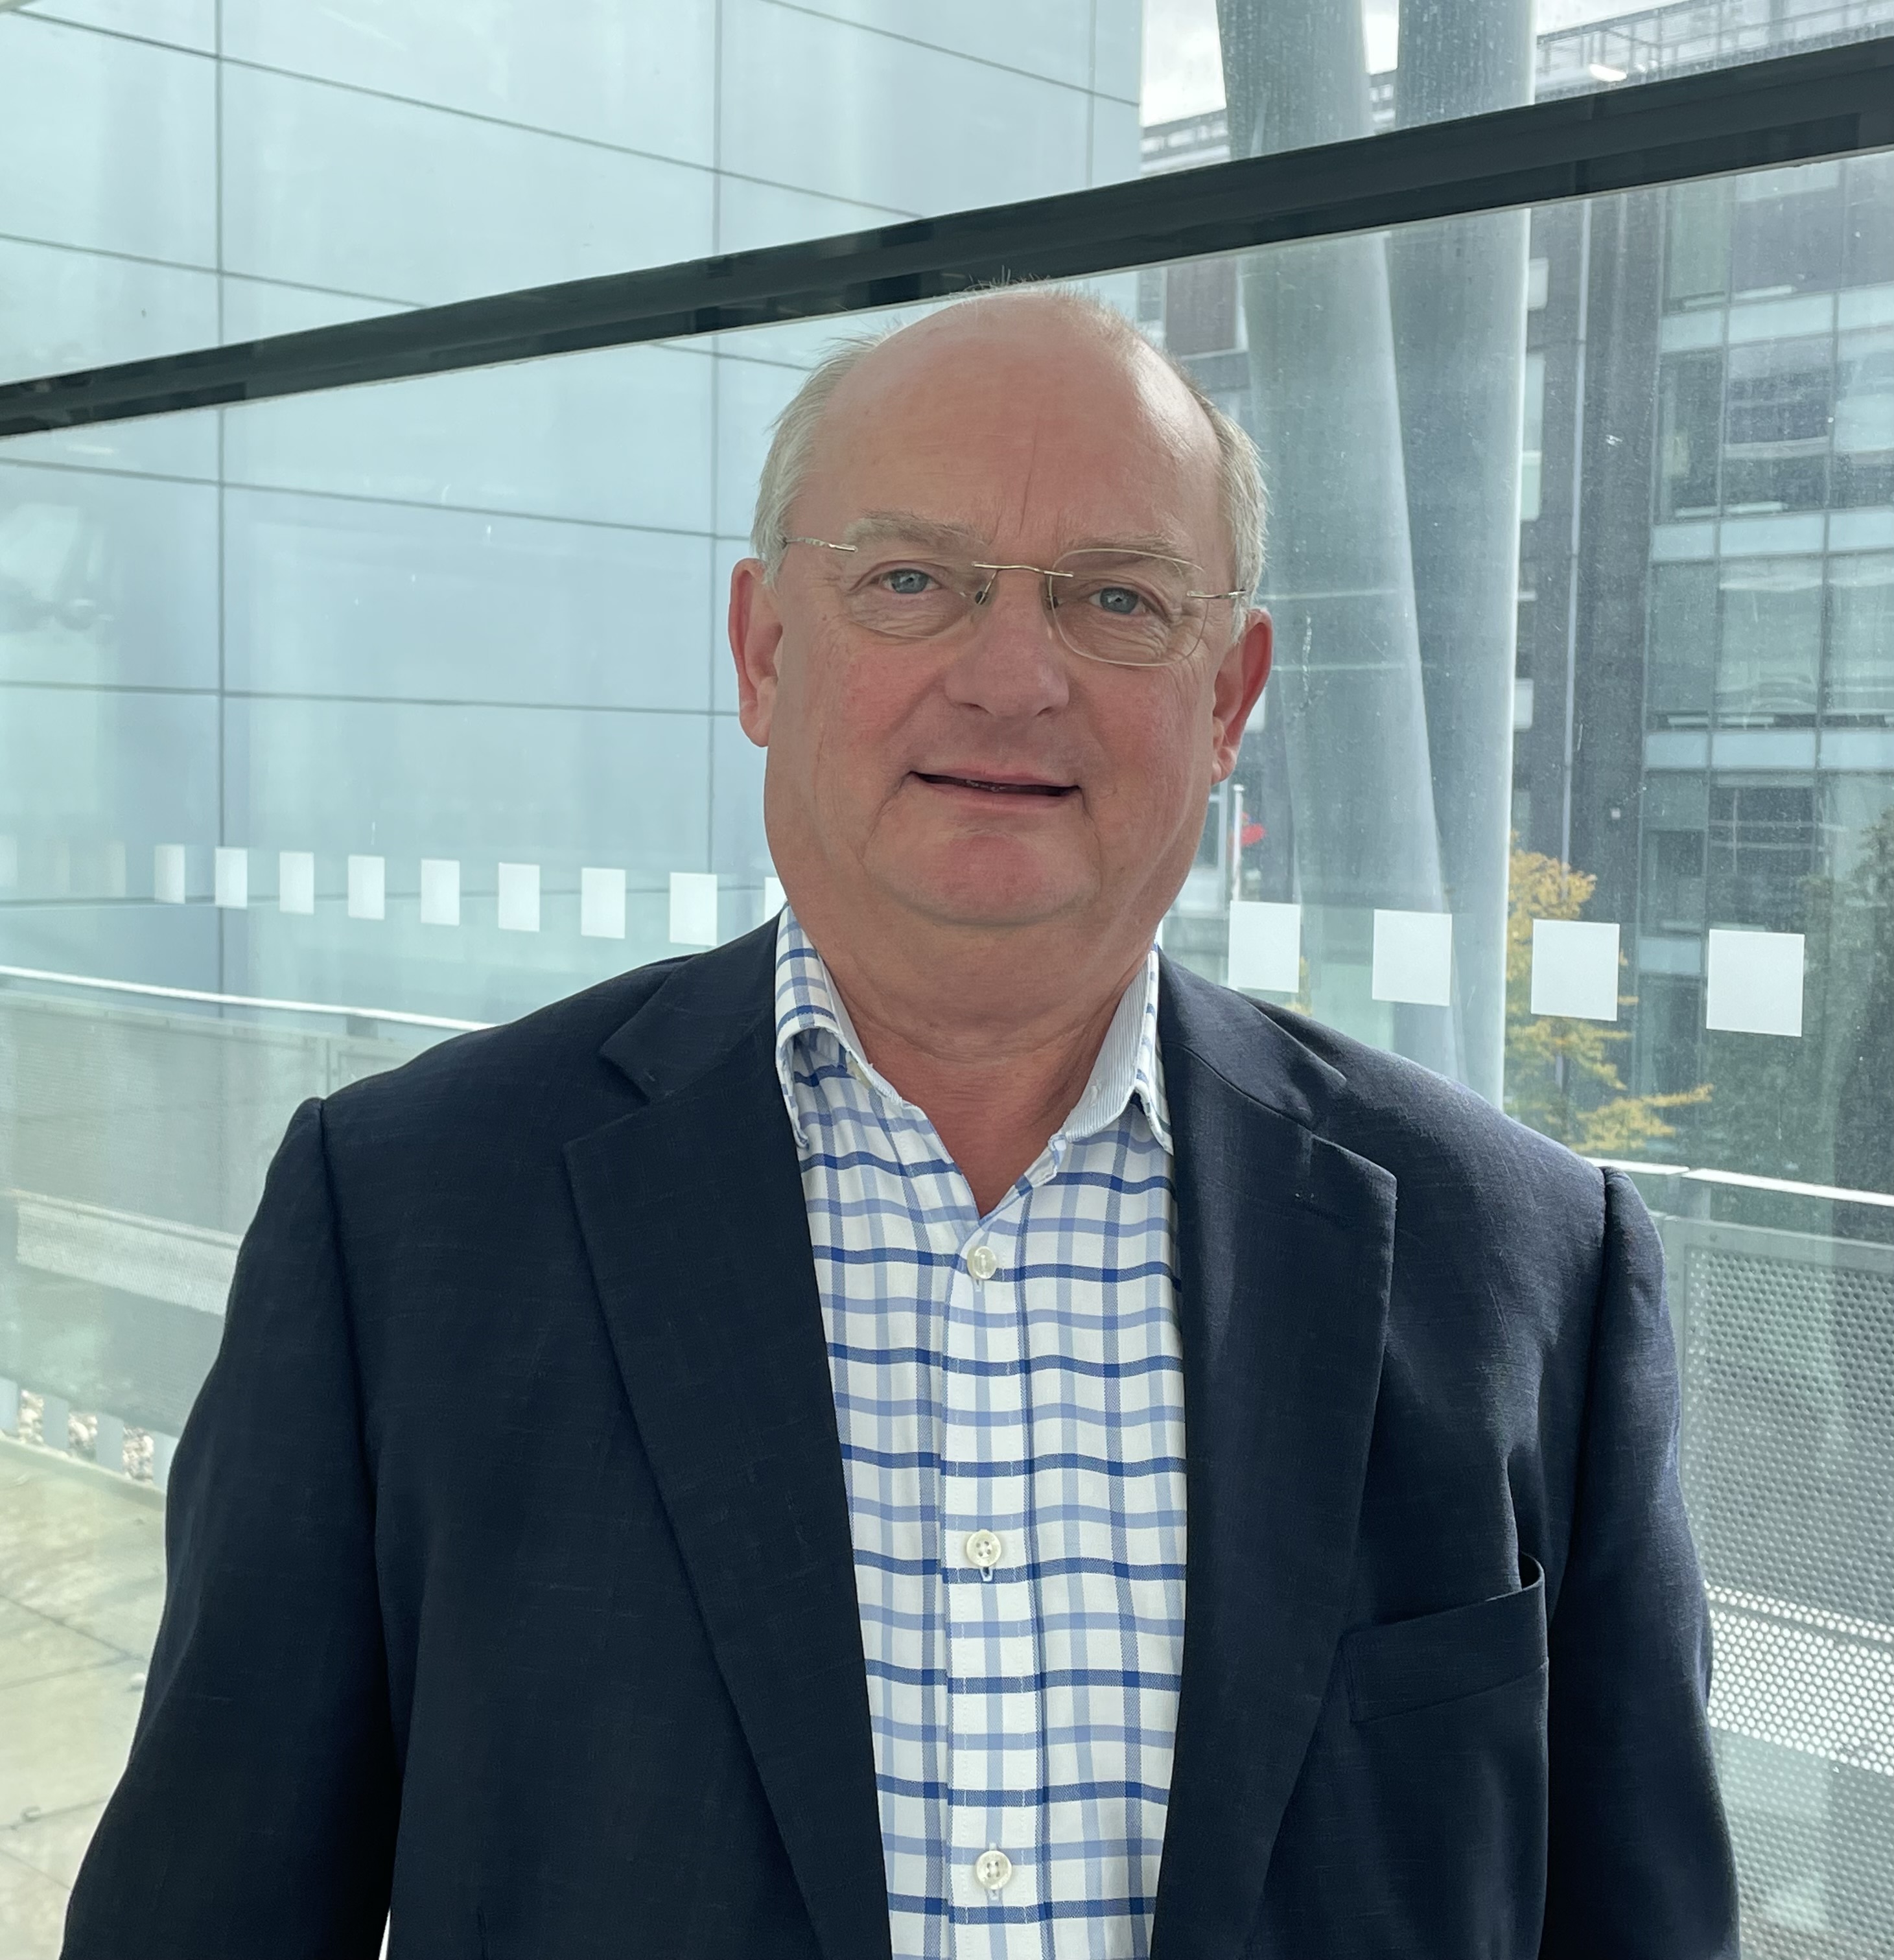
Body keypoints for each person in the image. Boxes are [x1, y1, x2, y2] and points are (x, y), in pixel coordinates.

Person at [63, 289, 1738, 1960]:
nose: (1011, 677)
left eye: (1113, 598)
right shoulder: (404, 1220)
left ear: (1227, 695)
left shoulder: (1523, 1265)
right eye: (910, 580)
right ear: (766, 652)